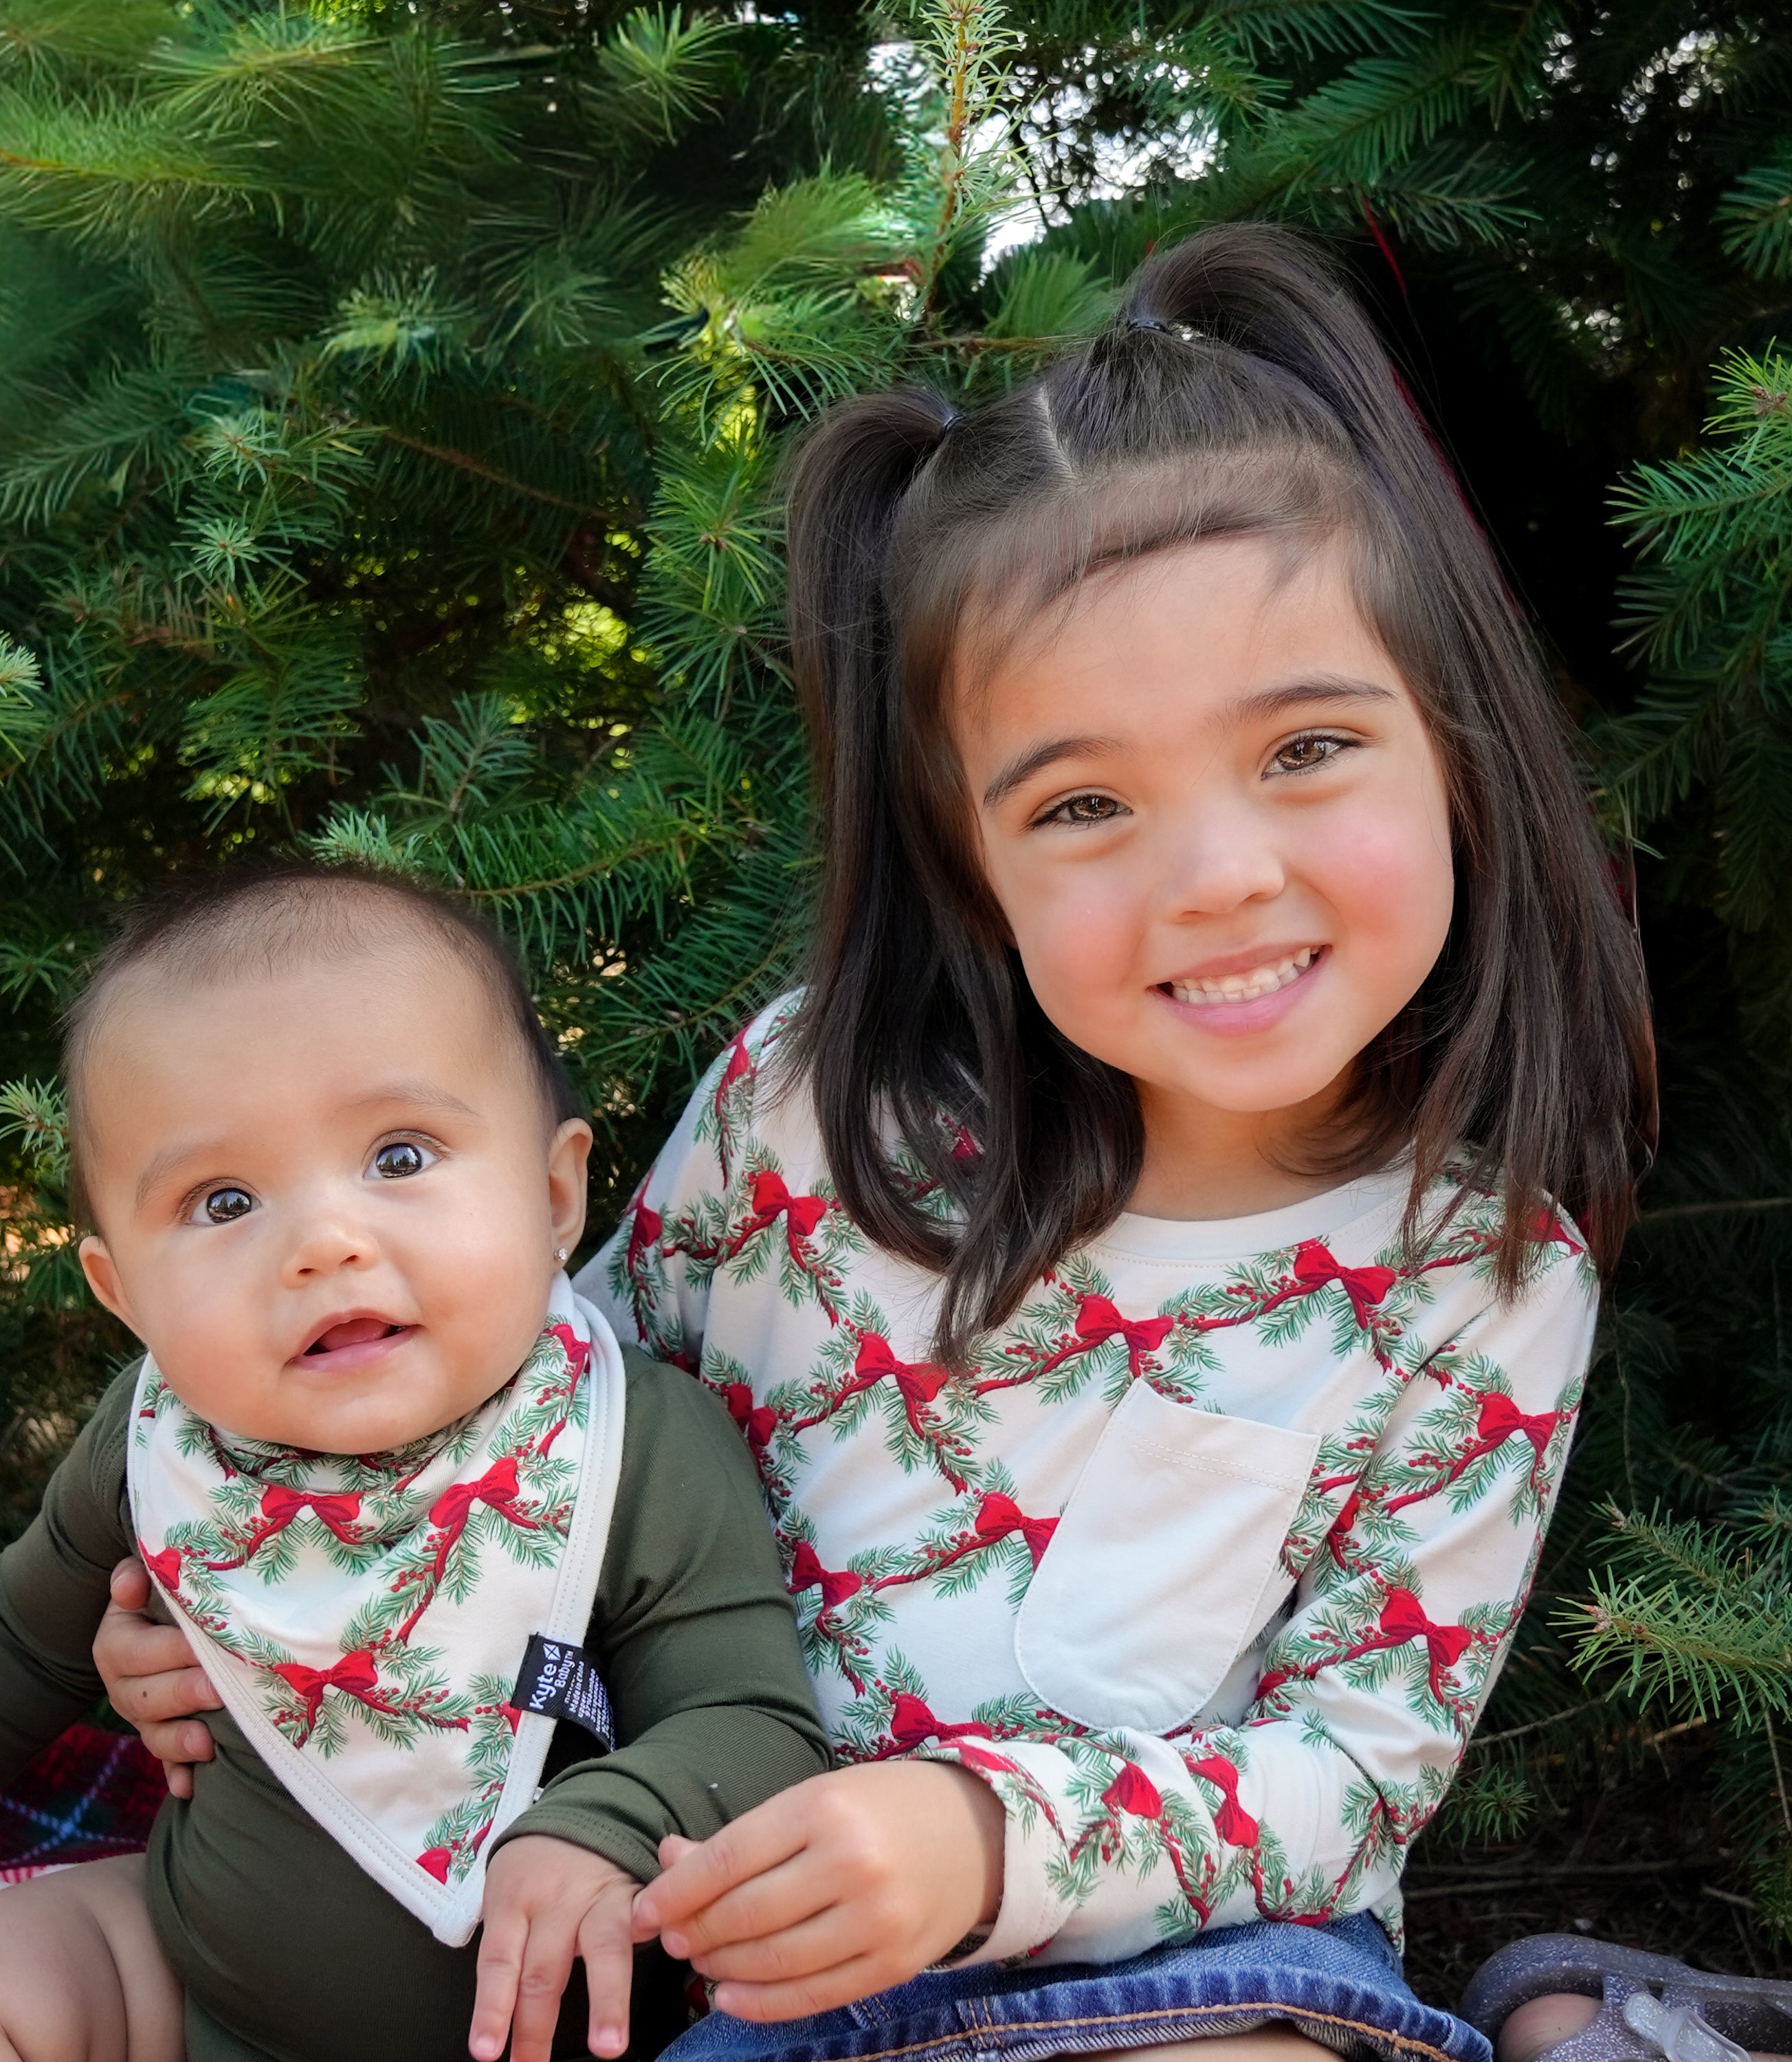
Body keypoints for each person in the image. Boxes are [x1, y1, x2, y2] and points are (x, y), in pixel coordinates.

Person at [93, 223, 1663, 2062]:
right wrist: (280, 1604)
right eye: (1083, 803)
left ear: (1453, 750)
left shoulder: (1477, 1274)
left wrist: (983, 1840)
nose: (1223, 876)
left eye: (1307, 749)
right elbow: (528, 1425)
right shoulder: (815, 1113)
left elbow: (1350, 1770)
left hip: (1165, 1963)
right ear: (972, 872)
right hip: (703, 1947)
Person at [0, 864, 831, 2062]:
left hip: (531, 2037)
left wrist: (614, 1818)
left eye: (400, 1156)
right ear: (124, 1293)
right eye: (223, 1201)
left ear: (556, 1192)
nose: (322, 1243)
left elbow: (754, 1722)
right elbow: (15, 1631)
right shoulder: (165, 1447)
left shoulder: (631, 1443)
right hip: (195, 1990)